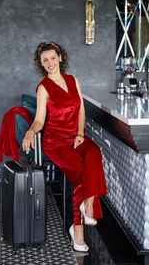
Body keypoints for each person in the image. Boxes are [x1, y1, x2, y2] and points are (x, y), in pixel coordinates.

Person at [22, 41, 107, 252]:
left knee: (94, 153)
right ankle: (78, 230)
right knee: (79, 173)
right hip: (56, 142)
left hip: (75, 136)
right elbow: (40, 120)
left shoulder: (72, 80)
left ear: (60, 57)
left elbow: (80, 111)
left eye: (52, 58)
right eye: (45, 60)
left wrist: (80, 133)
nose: (50, 63)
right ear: (41, 64)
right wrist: (31, 131)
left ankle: (87, 206)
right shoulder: (43, 87)